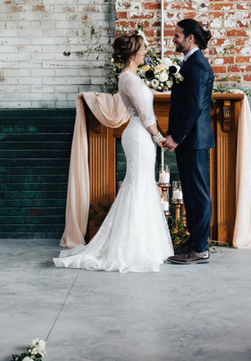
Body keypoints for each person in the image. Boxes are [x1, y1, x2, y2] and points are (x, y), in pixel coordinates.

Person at [54, 33, 173, 273]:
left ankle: (145, 244)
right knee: (138, 184)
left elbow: (148, 104)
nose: (144, 54)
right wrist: (160, 138)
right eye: (141, 50)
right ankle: (131, 247)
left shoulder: (134, 77)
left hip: (141, 136)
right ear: (132, 54)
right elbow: (145, 114)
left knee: (141, 184)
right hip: (139, 136)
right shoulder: (128, 78)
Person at [163, 19, 214, 265]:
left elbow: (194, 106)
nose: (174, 39)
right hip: (189, 141)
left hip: (193, 140)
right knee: (192, 195)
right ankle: (194, 244)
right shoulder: (190, 63)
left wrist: (176, 137)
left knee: (198, 195)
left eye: (177, 35)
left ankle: (200, 249)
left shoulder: (197, 66)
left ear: (190, 38)